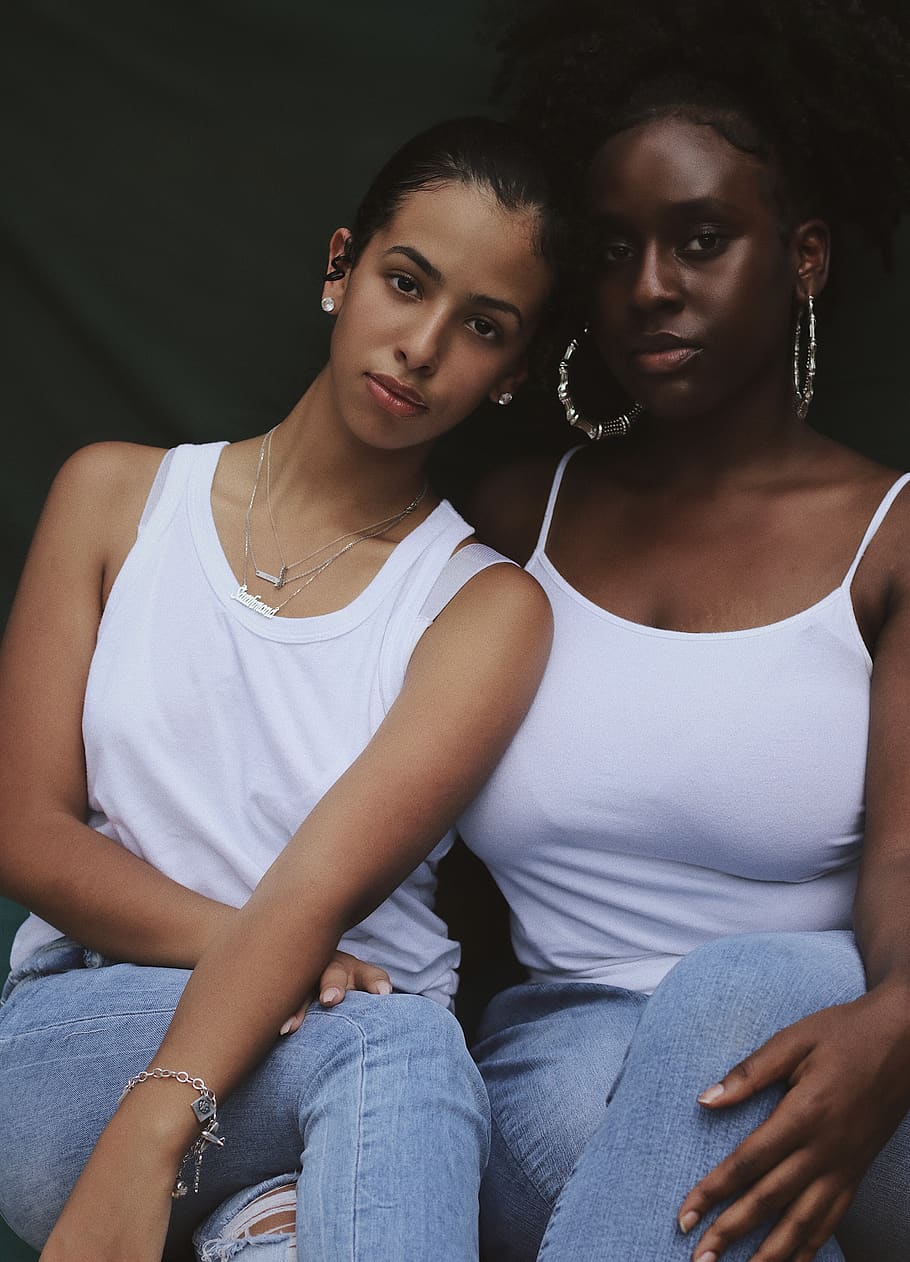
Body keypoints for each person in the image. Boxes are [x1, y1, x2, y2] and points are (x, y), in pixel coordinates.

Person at [0, 115, 557, 1262]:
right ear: (340, 265)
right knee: (398, 1040)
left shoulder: (479, 607)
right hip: (93, 1037)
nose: (422, 344)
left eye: (482, 327)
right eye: (406, 283)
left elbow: (319, 885)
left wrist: (289, 972)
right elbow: (22, 831)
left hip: (352, 1108)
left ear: (508, 375)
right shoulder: (113, 499)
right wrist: (268, 965)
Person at [453, 3, 910, 1260]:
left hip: (853, 1045)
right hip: (554, 1047)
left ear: (803, 254)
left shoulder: (892, 536)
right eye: (612, 250)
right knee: (571, 1102)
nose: (649, 287)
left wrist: (902, 1018)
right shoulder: (507, 519)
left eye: (700, 239)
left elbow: (907, 863)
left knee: (740, 987)